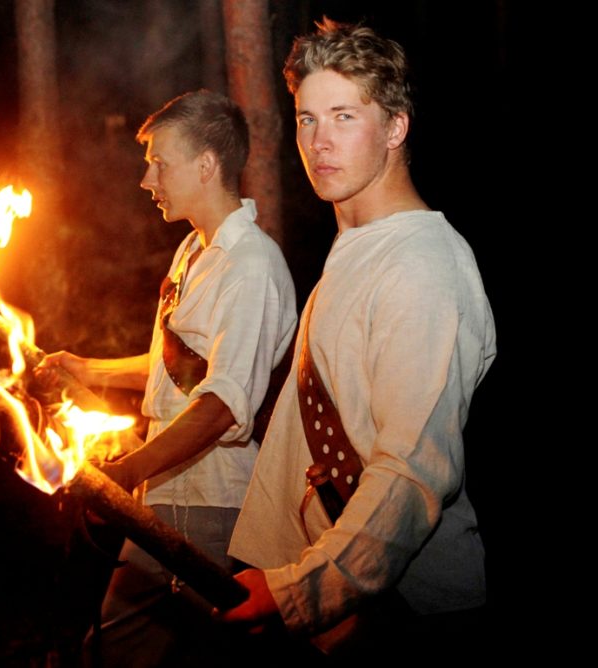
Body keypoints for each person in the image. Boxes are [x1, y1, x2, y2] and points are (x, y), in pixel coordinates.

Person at [222, 19, 496, 659]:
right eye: (307, 119)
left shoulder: (423, 265)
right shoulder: (359, 249)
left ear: (396, 128)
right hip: (342, 604)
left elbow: (411, 471)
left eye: (344, 116)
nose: (318, 141)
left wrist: (302, 590)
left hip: (407, 618)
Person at [47, 90, 296, 666]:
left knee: (129, 652)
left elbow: (224, 403)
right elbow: (175, 370)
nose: (147, 179)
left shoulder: (252, 265)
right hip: (167, 495)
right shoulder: (192, 251)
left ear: (206, 165)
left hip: (215, 502)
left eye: (160, 163)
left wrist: (127, 470)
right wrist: (84, 368)